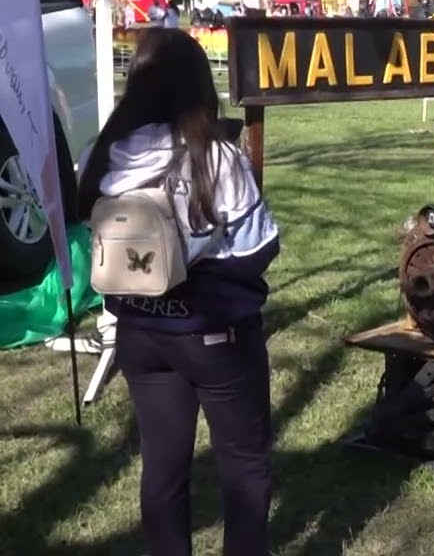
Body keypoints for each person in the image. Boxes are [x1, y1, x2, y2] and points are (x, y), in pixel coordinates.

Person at [76, 28, 281, 556]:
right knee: (244, 463)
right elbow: (258, 249)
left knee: (162, 466)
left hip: (139, 334)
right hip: (214, 335)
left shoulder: (106, 153)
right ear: (199, 85)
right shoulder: (217, 157)